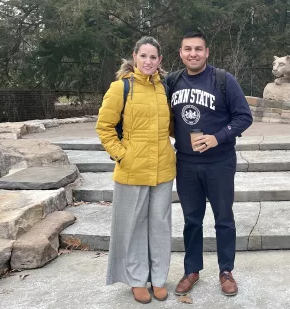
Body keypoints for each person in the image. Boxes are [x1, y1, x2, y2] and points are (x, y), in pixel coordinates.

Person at [168, 29, 253, 297]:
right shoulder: (172, 82)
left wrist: (218, 138)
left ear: (206, 52)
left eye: (198, 49)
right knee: (192, 220)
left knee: (223, 218)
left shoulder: (223, 80)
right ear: (180, 53)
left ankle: (226, 270)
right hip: (186, 163)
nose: (193, 54)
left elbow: (244, 117)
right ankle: (192, 270)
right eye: (187, 49)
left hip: (219, 161)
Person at [96, 36, 176, 304]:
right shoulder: (121, 88)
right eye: (144, 56)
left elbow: (172, 126)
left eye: (153, 57)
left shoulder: (165, 89)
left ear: (160, 61)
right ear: (134, 57)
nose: (148, 61)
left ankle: (159, 278)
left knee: (161, 226)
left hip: (163, 169)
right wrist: (121, 156)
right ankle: (137, 279)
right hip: (132, 170)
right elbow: (104, 127)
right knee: (134, 227)